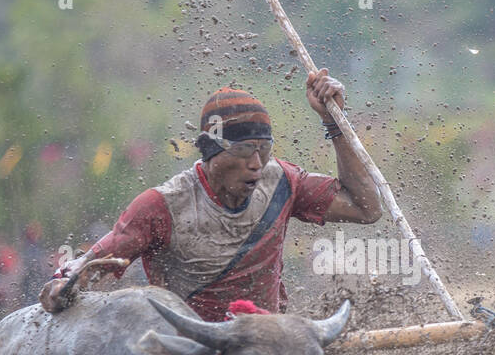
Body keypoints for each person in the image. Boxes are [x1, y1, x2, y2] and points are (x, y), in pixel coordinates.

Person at [42, 71, 382, 320]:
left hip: (267, 347)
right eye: (245, 150)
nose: (256, 164)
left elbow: (367, 208)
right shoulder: (162, 206)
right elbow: (91, 266)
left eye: (264, 150)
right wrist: (64, 285)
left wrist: (335, 122)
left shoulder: (283, 181)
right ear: (212, 153)